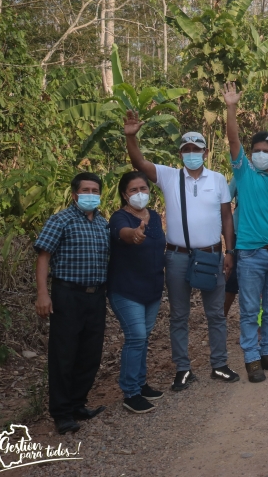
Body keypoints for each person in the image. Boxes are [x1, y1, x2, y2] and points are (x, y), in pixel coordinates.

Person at [125, 111, 240, 391]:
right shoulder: (168, 176)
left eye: (196, 149)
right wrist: (131, 136)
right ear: (180, 154)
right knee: (179, 315)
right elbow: (139, 162)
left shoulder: (217, 179)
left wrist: (229, 251)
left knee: (215, 313)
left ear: (205, 151)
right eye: (186, 150)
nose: (191, 154)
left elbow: (226, 216)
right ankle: (183, 369)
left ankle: (220, 364)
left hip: (212, 254)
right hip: (177, 256)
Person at [223, 83, 268, 383]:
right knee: (250, 309)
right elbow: (233, 139)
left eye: (267, 150)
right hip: (250, 254)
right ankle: (251, 358)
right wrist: (231, 108)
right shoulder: (244, 173)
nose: (263, 154)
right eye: (257, 151)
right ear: (249, 155)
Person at [34, 172, 109, 434]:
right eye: (86, 190)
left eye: (95, 190)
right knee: (64, 355)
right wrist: (42, 293)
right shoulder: (61, 220)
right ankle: (62, 413)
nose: (91, 194)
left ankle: (78, 404)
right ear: (75, 194)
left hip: (96, 296)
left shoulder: (102, 223)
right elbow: (44, 257)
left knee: (90, 354)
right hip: (67, 295)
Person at [107, 171, 166, 414]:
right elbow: (124, 234)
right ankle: (130, 392)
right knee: (136, 336)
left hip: (151, 289)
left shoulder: (154, 216)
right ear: (124, 194)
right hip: (126, 289)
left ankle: (140, 384)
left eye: (144, 188)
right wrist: (135, 235)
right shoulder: (119, 217)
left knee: (143, 337)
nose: (140, 193)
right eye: (134, 190)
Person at [223, 179, 240, 318]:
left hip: (264, 236)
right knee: (232, 280)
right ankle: (221, 318)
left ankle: (258, 325)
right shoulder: (240, 176)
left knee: (261, 286)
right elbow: (225, 202)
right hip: (238, 234)